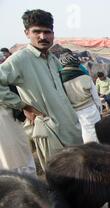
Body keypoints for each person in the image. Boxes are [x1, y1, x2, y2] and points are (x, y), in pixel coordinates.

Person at [0, 9, 82, 170]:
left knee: (80, 174)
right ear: (27, 33)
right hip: (49, 129)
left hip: (70, 126)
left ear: (53, 33)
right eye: (36, 32)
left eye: (47, 32)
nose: (43, 37)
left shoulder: (53, 59)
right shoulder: (20, 59)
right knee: (60, 178)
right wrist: (23, 105)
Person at [60, 52, 102, 143]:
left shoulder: (60, 81)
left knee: (81, 135)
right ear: (77, 65)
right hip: (91, 110)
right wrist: (99, 110)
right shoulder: (86, 78)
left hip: (73, 113)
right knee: (95, 135)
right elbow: (96, 98)